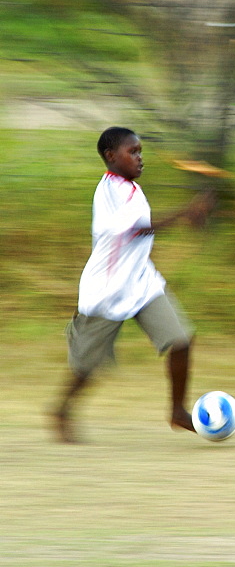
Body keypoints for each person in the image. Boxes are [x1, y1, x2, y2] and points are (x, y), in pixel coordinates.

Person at [53, 126, 213, 443]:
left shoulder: (130, 188)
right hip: (107, 291)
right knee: (89, 366)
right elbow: (136, 229)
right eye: (133, 152)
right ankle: (61, 410)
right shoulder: (109, 191)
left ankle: (178, 412)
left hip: (141, 282)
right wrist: (185, 213)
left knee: (181, 340)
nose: (140, 159)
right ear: (111, 157)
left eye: (141, 152)